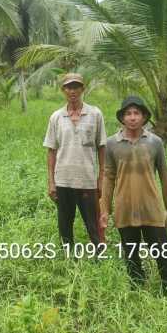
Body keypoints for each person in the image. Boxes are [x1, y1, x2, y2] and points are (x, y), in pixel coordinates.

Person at [100, 96, 167, 294]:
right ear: (122, 118)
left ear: (143, 117)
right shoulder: (111, 144)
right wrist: (104, 210)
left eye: (136, 113)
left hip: (152, 208)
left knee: (161, 251)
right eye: (128, 113)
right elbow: (108, 177)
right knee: (131, 253)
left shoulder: (155, 142)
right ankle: (136, 285)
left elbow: (165, 176)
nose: (132, 117)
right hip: (125, 209)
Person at [43, 73, 107, 247]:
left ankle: (99, 254)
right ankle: (69, 256)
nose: (73, 91)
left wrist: (101, 178)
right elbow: (51, 150)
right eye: (69, 87)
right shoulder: (56, 117)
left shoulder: (95, 114)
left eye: (76, 87)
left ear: (82, 89)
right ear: (63, 90)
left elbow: (102, 147)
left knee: (93, 223)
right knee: (65, 223)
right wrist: (51, 182)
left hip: (87, 180)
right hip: (63, 179)